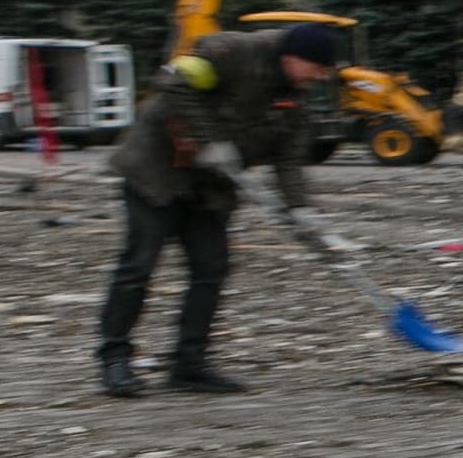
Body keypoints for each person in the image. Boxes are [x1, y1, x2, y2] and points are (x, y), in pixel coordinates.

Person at [96, 22, 337, 397]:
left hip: (210, 187)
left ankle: (189, 365)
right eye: (317, 68)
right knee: (138, 266)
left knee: (211, 268)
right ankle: (114, 359)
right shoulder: (231, 51)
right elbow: (173, 83)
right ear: (292, 58)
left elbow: (289, 161)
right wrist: (208, 143)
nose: (320, 78)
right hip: (157, 170)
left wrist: (302, 210)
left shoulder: (295, 99)